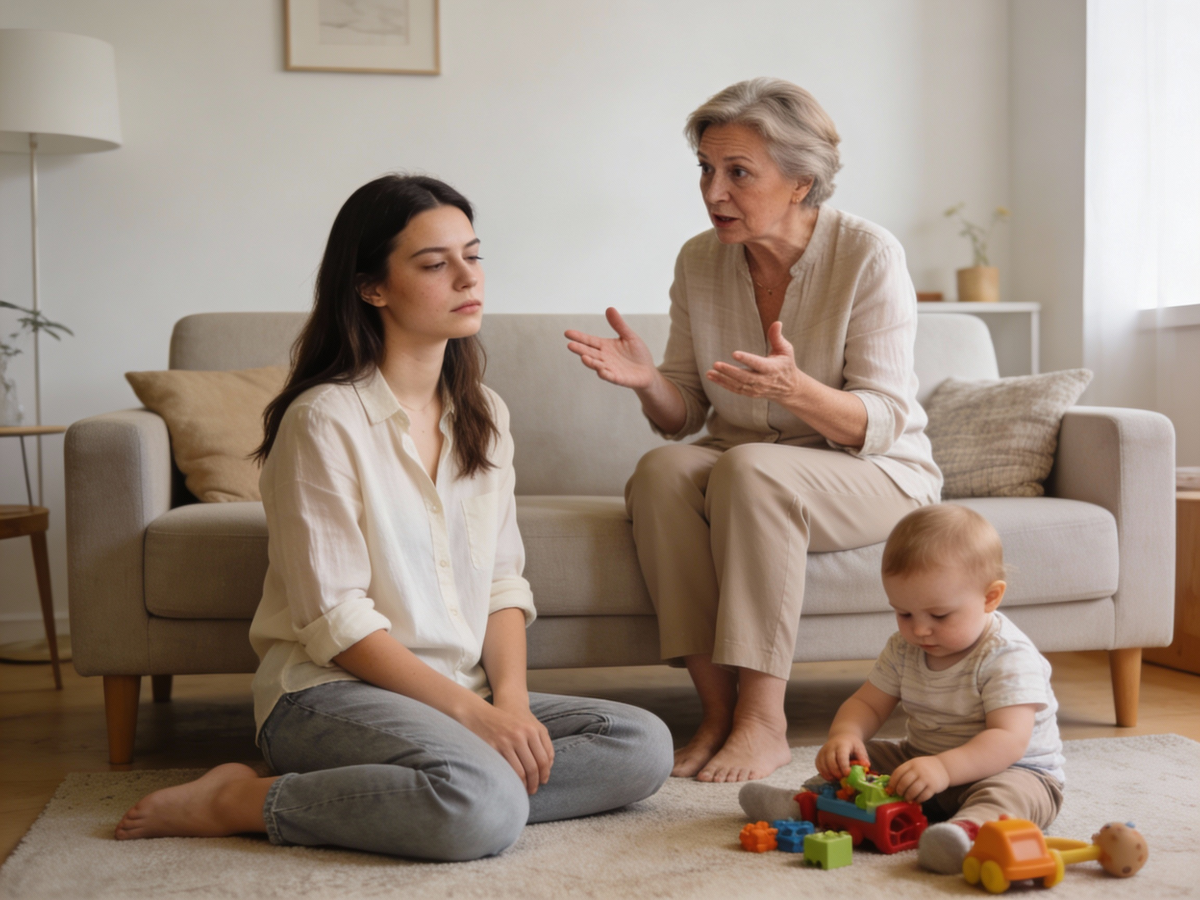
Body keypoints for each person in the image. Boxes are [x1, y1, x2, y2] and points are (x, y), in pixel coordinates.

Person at [114, 174, 673, 860]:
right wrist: (474, 718)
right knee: (479, 807)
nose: (468, 277)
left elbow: (502, 582)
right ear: (371, 287)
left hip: (461, 690)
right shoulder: (323, 420)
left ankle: (430, 788)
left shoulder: (485, 413)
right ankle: (237, 800)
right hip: (330, 694)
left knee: (641, 745)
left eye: (473, 255)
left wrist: (511, 705)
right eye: (436, 264)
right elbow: (336, 621)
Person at [565, 78, 942, 783]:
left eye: (738, 172)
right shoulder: (698, 259)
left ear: (801, 182)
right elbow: (685, 415)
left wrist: (797, 390)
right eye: (706, 169)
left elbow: (883, 418)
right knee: (662, 472)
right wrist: (648, 382)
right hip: (747, 463)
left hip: (874, 471)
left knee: (748, 469)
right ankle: (717, 712)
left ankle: (764, 721)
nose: (714, 192)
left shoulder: (869, 253)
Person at [741, 504, 1065, 874]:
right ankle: (808, 802)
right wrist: (845, 736)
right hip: (923, 763)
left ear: (990, 597)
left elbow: (1009, 740)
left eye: (939, 615)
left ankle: (965, 834)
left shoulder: (1008, 655)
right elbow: (868, 703)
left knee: (1009, 796)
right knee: (869, 757)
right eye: (904, 613)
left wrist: (944, 768)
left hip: (1013, 771)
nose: (920, 630)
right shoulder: (904, 648)